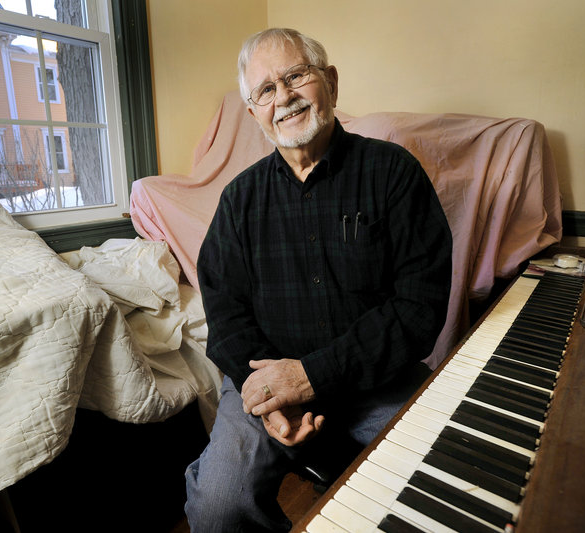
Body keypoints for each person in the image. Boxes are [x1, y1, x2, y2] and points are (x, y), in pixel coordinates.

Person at [184, 28, 452, 532]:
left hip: (380, 383)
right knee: (217, 508)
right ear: (255, 113)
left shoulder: (394, 173)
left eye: (295, 77)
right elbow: (226, 316)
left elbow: (419, 309)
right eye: (265, 90)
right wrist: (265, 394)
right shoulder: (239, 201)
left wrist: (307, 377)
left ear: (328, 81)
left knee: (443, 485)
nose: (283, 97)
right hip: (267, 388)